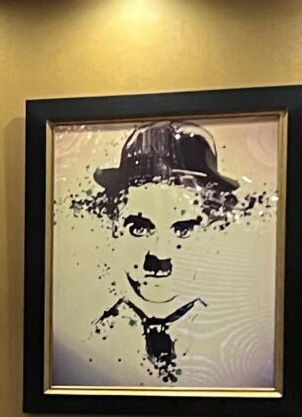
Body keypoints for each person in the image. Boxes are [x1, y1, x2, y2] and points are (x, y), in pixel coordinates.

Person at [75, 120, 268, 385]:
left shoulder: (241, 342)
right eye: (140, 229)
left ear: (212, 233)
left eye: (183, 231)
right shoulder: (89, 339)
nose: (159, 260)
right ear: (113, 229)